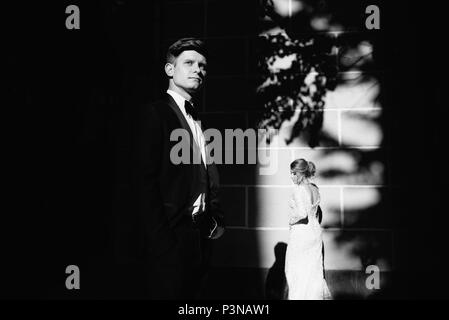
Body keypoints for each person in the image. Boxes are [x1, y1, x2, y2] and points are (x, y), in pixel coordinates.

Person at [134, 37, 224, 299]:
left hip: (200, 238)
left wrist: (216, 219)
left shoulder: (198, 120)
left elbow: (207, 174)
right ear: (170, 70)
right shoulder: (154, 114)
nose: (198, 69)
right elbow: (143, 182)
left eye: (203, 66)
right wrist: (162, 242)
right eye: (190, 63)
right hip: (170, 239)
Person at [285, 158, 331, 300]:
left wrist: (290, 221)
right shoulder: (315, 188)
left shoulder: (299, 190)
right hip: (315, 233)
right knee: (313, 272)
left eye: (293, 173)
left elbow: (302, 213)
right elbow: (314, 212)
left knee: (295, 271)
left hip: (301, 234)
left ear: (300, 173)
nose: (291, 176)